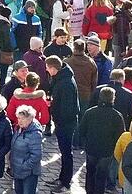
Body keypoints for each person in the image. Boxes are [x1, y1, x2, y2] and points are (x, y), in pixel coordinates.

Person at [77, 87, 126, 194]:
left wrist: (87, 141)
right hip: (107, 151)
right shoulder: (117, 115)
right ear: (113, 99)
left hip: (91, 148)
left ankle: (89, 191)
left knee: (90, 172)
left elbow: (81, 130)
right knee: (102, 175)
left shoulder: (90, 112)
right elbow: (120, 135)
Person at [45, 56, 79, 192]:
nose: (46, 71)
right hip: (62, 122)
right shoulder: (60, 78)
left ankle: (66, 183)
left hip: (66, 123)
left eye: (47, 68)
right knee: (64, 153)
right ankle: (62, 178)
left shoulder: (65, 83)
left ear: (53, 68)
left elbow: (66, 108)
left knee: (66, 153)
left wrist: (56, 118)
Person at [9, 104, 43, 194]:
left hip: (29, 173)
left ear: (30, 119)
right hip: (17, 170)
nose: (19, 121)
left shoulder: (35, 134)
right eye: (19, 118)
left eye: (23, 118)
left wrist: (24, 166)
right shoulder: (18, 129)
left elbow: (36, 156)